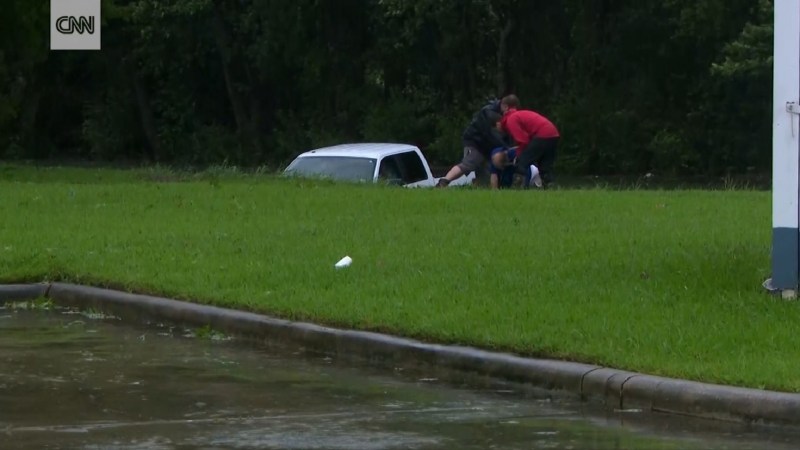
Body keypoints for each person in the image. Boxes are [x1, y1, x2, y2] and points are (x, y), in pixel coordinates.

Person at [435, 99, 507, 188]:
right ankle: (444, 181)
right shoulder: (490, 113)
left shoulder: (489, 112)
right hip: (476, 144)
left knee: (483, 171)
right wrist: (504, 146)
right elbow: (489, 134)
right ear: (505, 106)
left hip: (483, 146)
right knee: (468, 164)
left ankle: (479, 188)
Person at [499, 94, 559, 188]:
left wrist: (518, 155)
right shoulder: (520, 114)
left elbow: (523, 140)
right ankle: (551, 187)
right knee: (545, 166)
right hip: (553, 134)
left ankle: (517, 187)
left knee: (522, 162)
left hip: (542, 134)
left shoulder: (511, 119)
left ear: (505, 106)